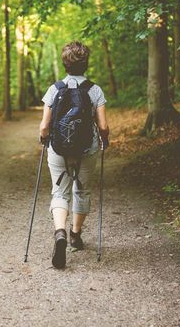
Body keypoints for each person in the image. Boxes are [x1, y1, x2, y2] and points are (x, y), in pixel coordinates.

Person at [39, 41, 109, 269]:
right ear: (85, 64)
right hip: (86, 149)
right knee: (82, 189)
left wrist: (44, 139)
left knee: (60, 191)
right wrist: (104, 139)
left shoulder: (54, 89)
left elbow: (44, 127)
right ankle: (75, 235)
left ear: (65, 64)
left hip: (58, 148)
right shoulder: (94, 90)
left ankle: (59, 232)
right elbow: (103, 126)